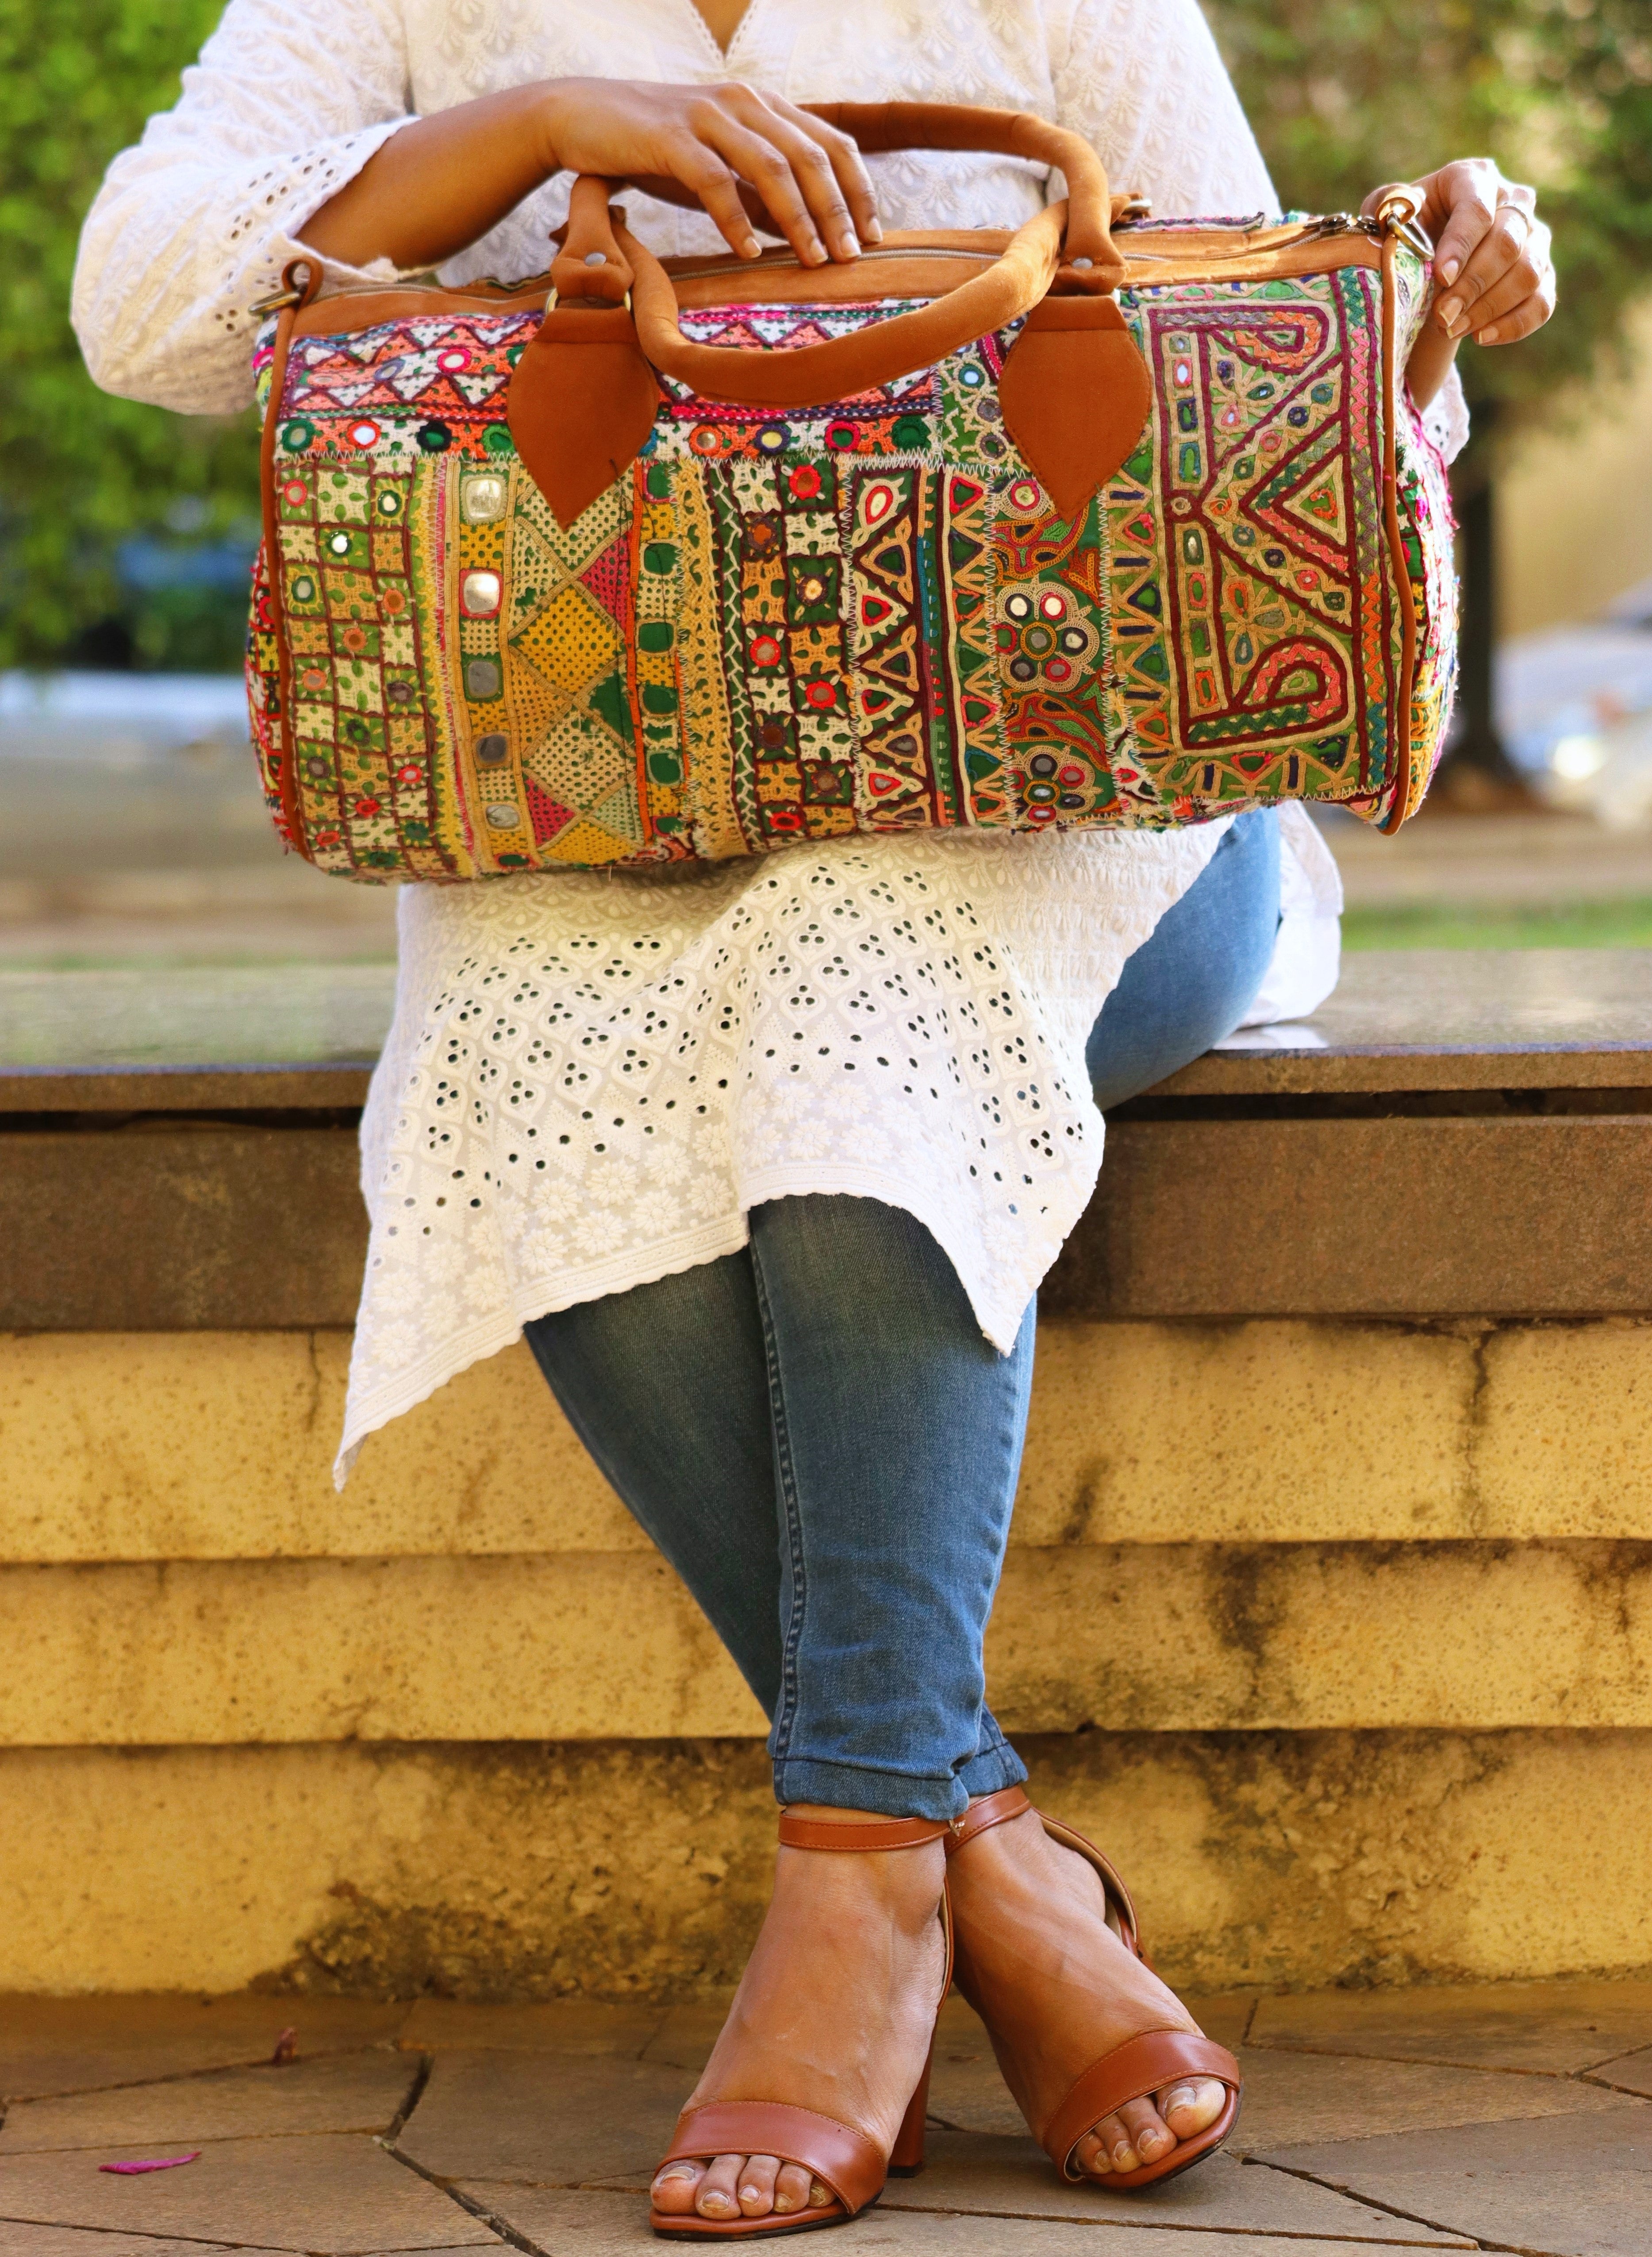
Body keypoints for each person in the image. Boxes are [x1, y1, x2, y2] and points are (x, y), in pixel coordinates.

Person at [76, 0, 1554, 2234]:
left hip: (1103, 787)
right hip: (596, 779)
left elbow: (1263, 344)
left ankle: (855, 1892)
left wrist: (1430, 301)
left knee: (852, 960)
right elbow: (151, 302)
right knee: (520, 1019)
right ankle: (990, 1855)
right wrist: (544, 124)